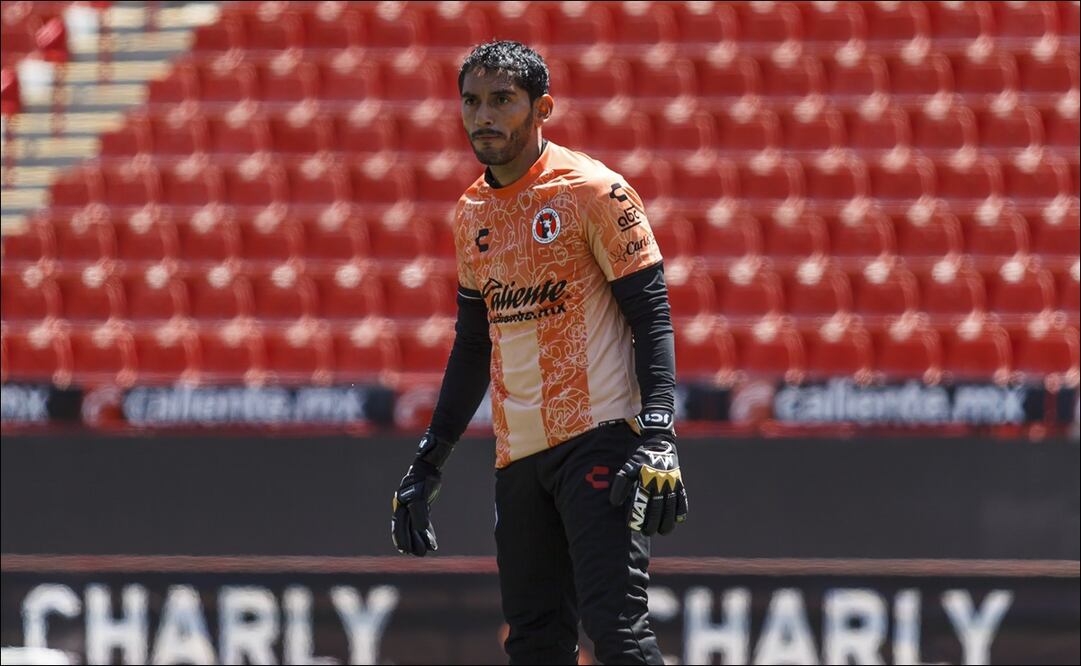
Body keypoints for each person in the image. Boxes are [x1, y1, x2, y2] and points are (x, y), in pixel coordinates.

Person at [391, 41, 688, 665]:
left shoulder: (594, 191)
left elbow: (652, 316)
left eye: (502, 100)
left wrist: (659, 433)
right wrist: (431, 459)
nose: (483, 116)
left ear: (541, 107)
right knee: (534, 643)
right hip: (518, 456)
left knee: (617, 630)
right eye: (471, 101)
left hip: (600, 437)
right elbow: (473, 344)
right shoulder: (471, 211)